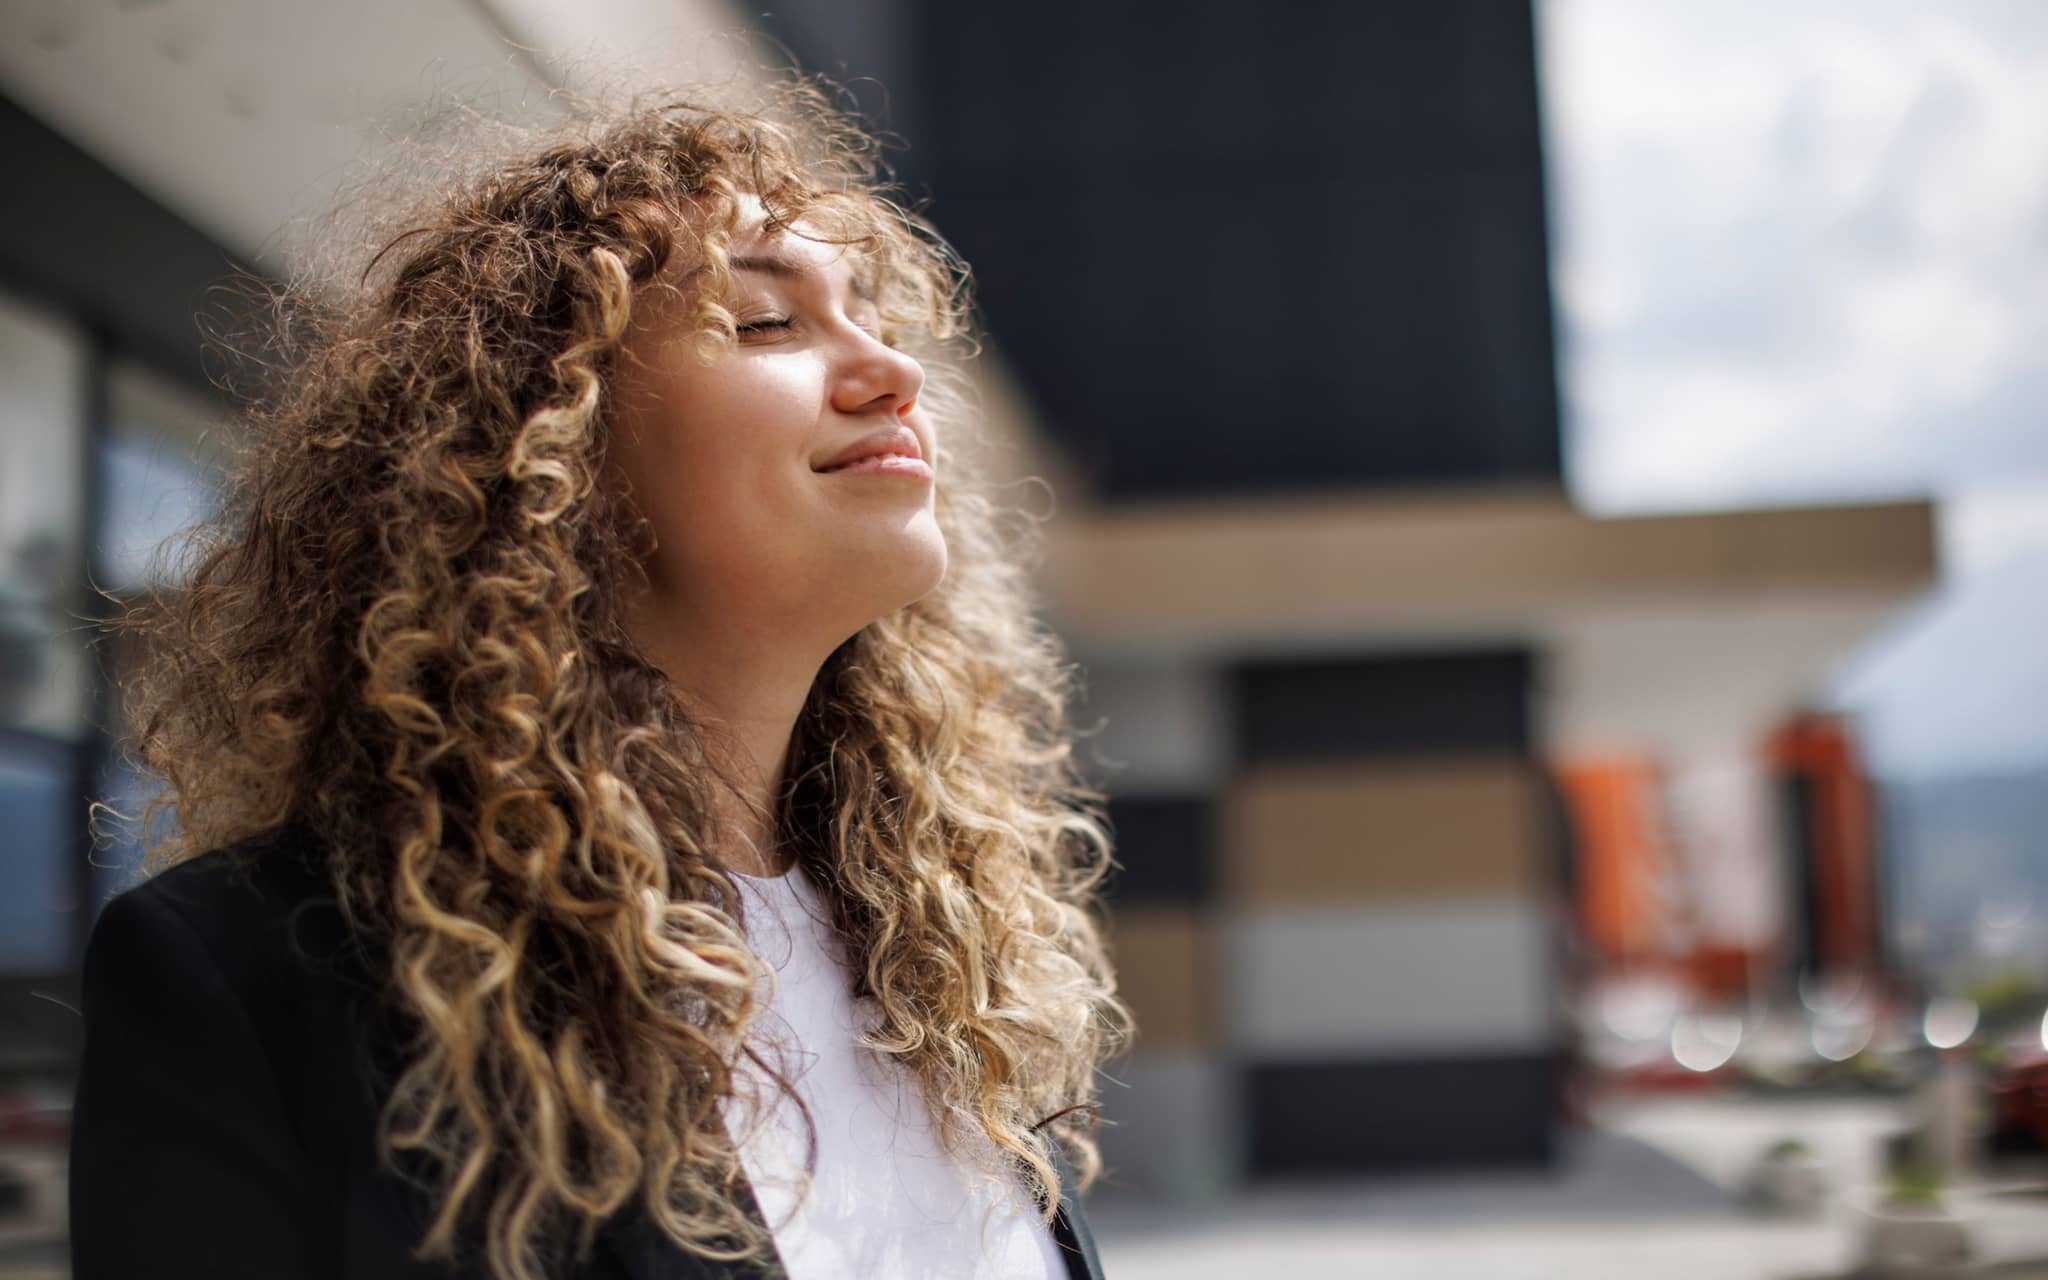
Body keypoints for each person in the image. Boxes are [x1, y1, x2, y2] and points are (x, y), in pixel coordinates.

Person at [69, 78, 1130, 1280]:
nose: (892, 372)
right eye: (768, 322)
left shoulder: (935, 963)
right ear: (551, 445)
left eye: (877, 316)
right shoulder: (262, 978)